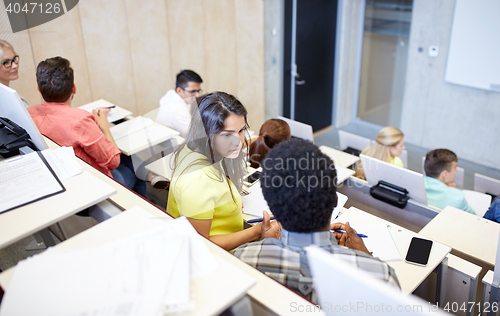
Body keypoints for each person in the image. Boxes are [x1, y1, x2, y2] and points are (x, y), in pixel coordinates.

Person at [233, 138, 399, 301]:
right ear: (335, 200)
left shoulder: (242, 259)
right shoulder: (381, 278)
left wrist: (267, 243)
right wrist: (365, 257)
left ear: (273, 207)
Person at [166, 92, 281, 251]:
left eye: (241, 130)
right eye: (227, 134)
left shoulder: (195, 148)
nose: (238, 142)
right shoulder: (198, 179)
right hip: (219, 257)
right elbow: (200, 245)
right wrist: (256, 231)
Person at [28, 57, 145, 195]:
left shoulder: (29, 114)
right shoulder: (80, 120)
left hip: (61, 181)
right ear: (74, 88)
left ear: (39, 90)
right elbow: (114, 162)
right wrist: (104, 127)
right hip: (93, 186)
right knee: (137, 169)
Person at [424, 149, 476, 214]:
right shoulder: (457, 198)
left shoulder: (416, 186)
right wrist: (451, 191)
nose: (456, 170)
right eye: (455, 168)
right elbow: (475, 218)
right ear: (445, 174)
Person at [156, 70, 203, 138]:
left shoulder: (171, 95)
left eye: (198, 91)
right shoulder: (177, 108)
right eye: (193, 91)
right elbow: (195, 137)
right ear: (179, 90)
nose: (197, 95)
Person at [0, 39, 29, 108]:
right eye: (6, 62)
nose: (15, 65)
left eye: (14, 59)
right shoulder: (4, 101)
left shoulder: (9, 94)